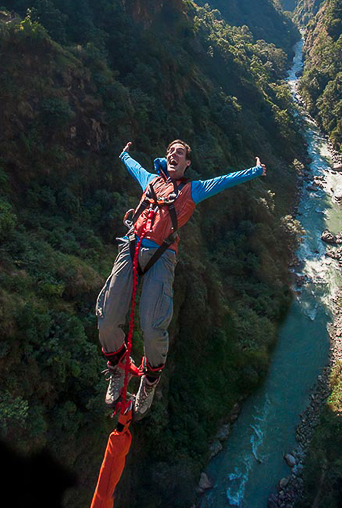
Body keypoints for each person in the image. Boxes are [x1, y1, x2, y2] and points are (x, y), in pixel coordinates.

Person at [96, 139, 266, 419]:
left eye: (180, 153)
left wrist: (255, 171)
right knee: (107, 317)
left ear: (187, 163)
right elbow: (133, 166)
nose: (173, 155)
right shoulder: (150, 180)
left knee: (152, 327)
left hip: (162, 255)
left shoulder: (192, 190)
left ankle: (149, 381)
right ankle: (117, 367)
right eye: (170, 152)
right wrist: (124, 154)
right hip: (130, 247)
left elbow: (224, 181)